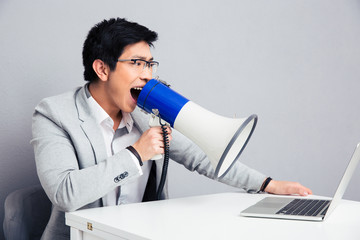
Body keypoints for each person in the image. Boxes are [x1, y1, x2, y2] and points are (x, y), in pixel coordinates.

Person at [31, 18, 312, 240]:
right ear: (102, 69)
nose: (147, 74)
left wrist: (268, 184)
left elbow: (202, 158)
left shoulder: (146, 114)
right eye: (136, 63)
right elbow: (64, 193)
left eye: (150, 64)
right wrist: (136, 154)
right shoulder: (55, 114)